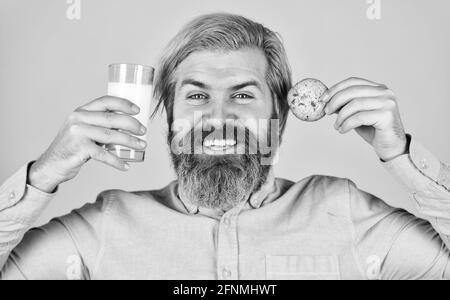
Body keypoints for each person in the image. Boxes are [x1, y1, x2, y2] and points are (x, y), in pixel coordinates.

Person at [0, 13, 449, 280]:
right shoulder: (103, 227)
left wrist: (401, 156)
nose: (218, 116)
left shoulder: (345, 212)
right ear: (169, 118)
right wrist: (42, 176)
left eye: (243, 94)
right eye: (196, 96)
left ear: (282, 113)